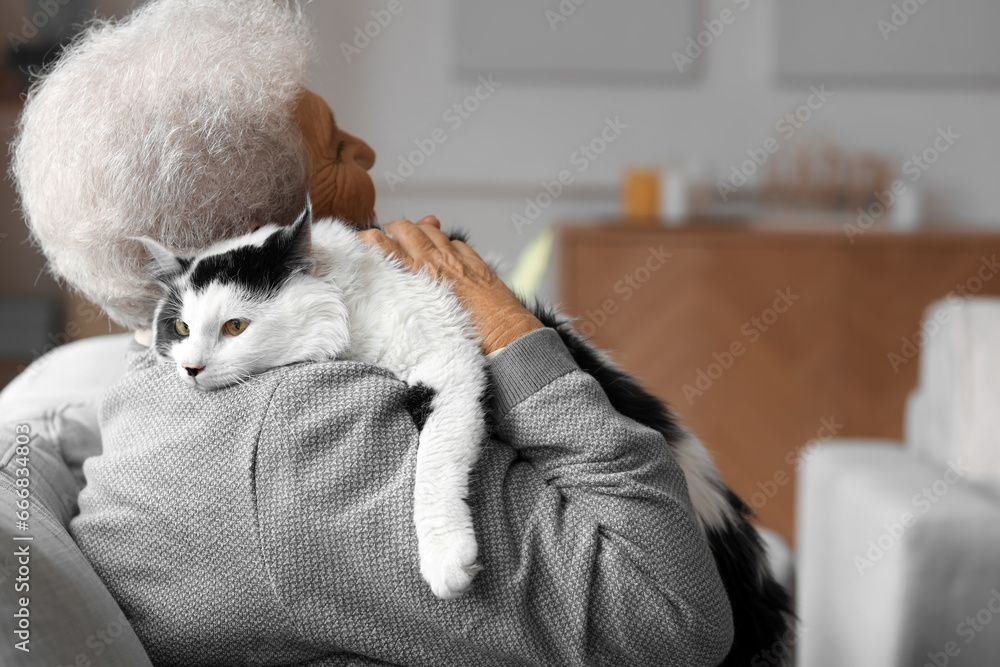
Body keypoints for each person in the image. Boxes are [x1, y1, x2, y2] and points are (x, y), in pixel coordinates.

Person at [11, 1, 733, 665]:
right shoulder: (308, 446)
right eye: (330, 142)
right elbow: (675, 617)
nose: (365, 151)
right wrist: (512, 334)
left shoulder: (166, 386)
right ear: (265, 234)